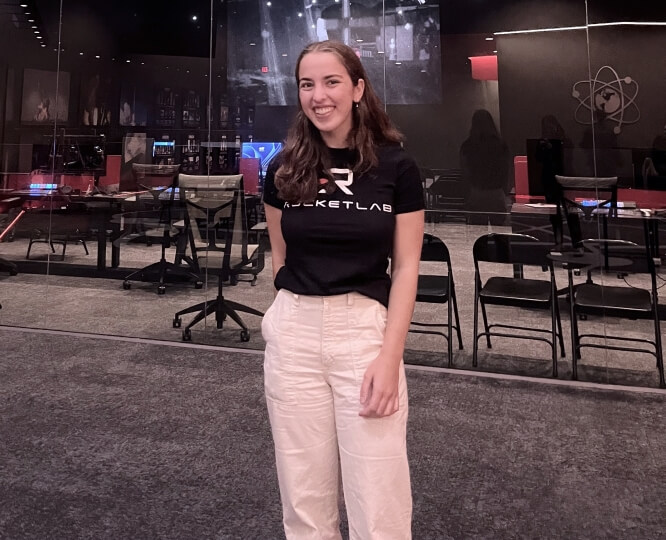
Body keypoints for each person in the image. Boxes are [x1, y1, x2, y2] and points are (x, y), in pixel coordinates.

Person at [261, 40, 424, 539]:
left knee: (378, 499)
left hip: (364, 335)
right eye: (307, 84)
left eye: (331, 82)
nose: (318, 95)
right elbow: (280, 257)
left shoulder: (397, 169)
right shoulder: (284, 167)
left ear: (357, 89)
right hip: (294, 335)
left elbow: (407, 267)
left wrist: (389, 357)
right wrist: (290, 322)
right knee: (304, 500)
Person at [459, 109, 510, 224]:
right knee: (500, 233)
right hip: (496, 192)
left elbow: (465, 172)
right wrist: (505, 191)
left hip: (477, 192)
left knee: (478, 235)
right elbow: (505, 170)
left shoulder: (468, 145)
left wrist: (466, 195)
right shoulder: (500, 144)